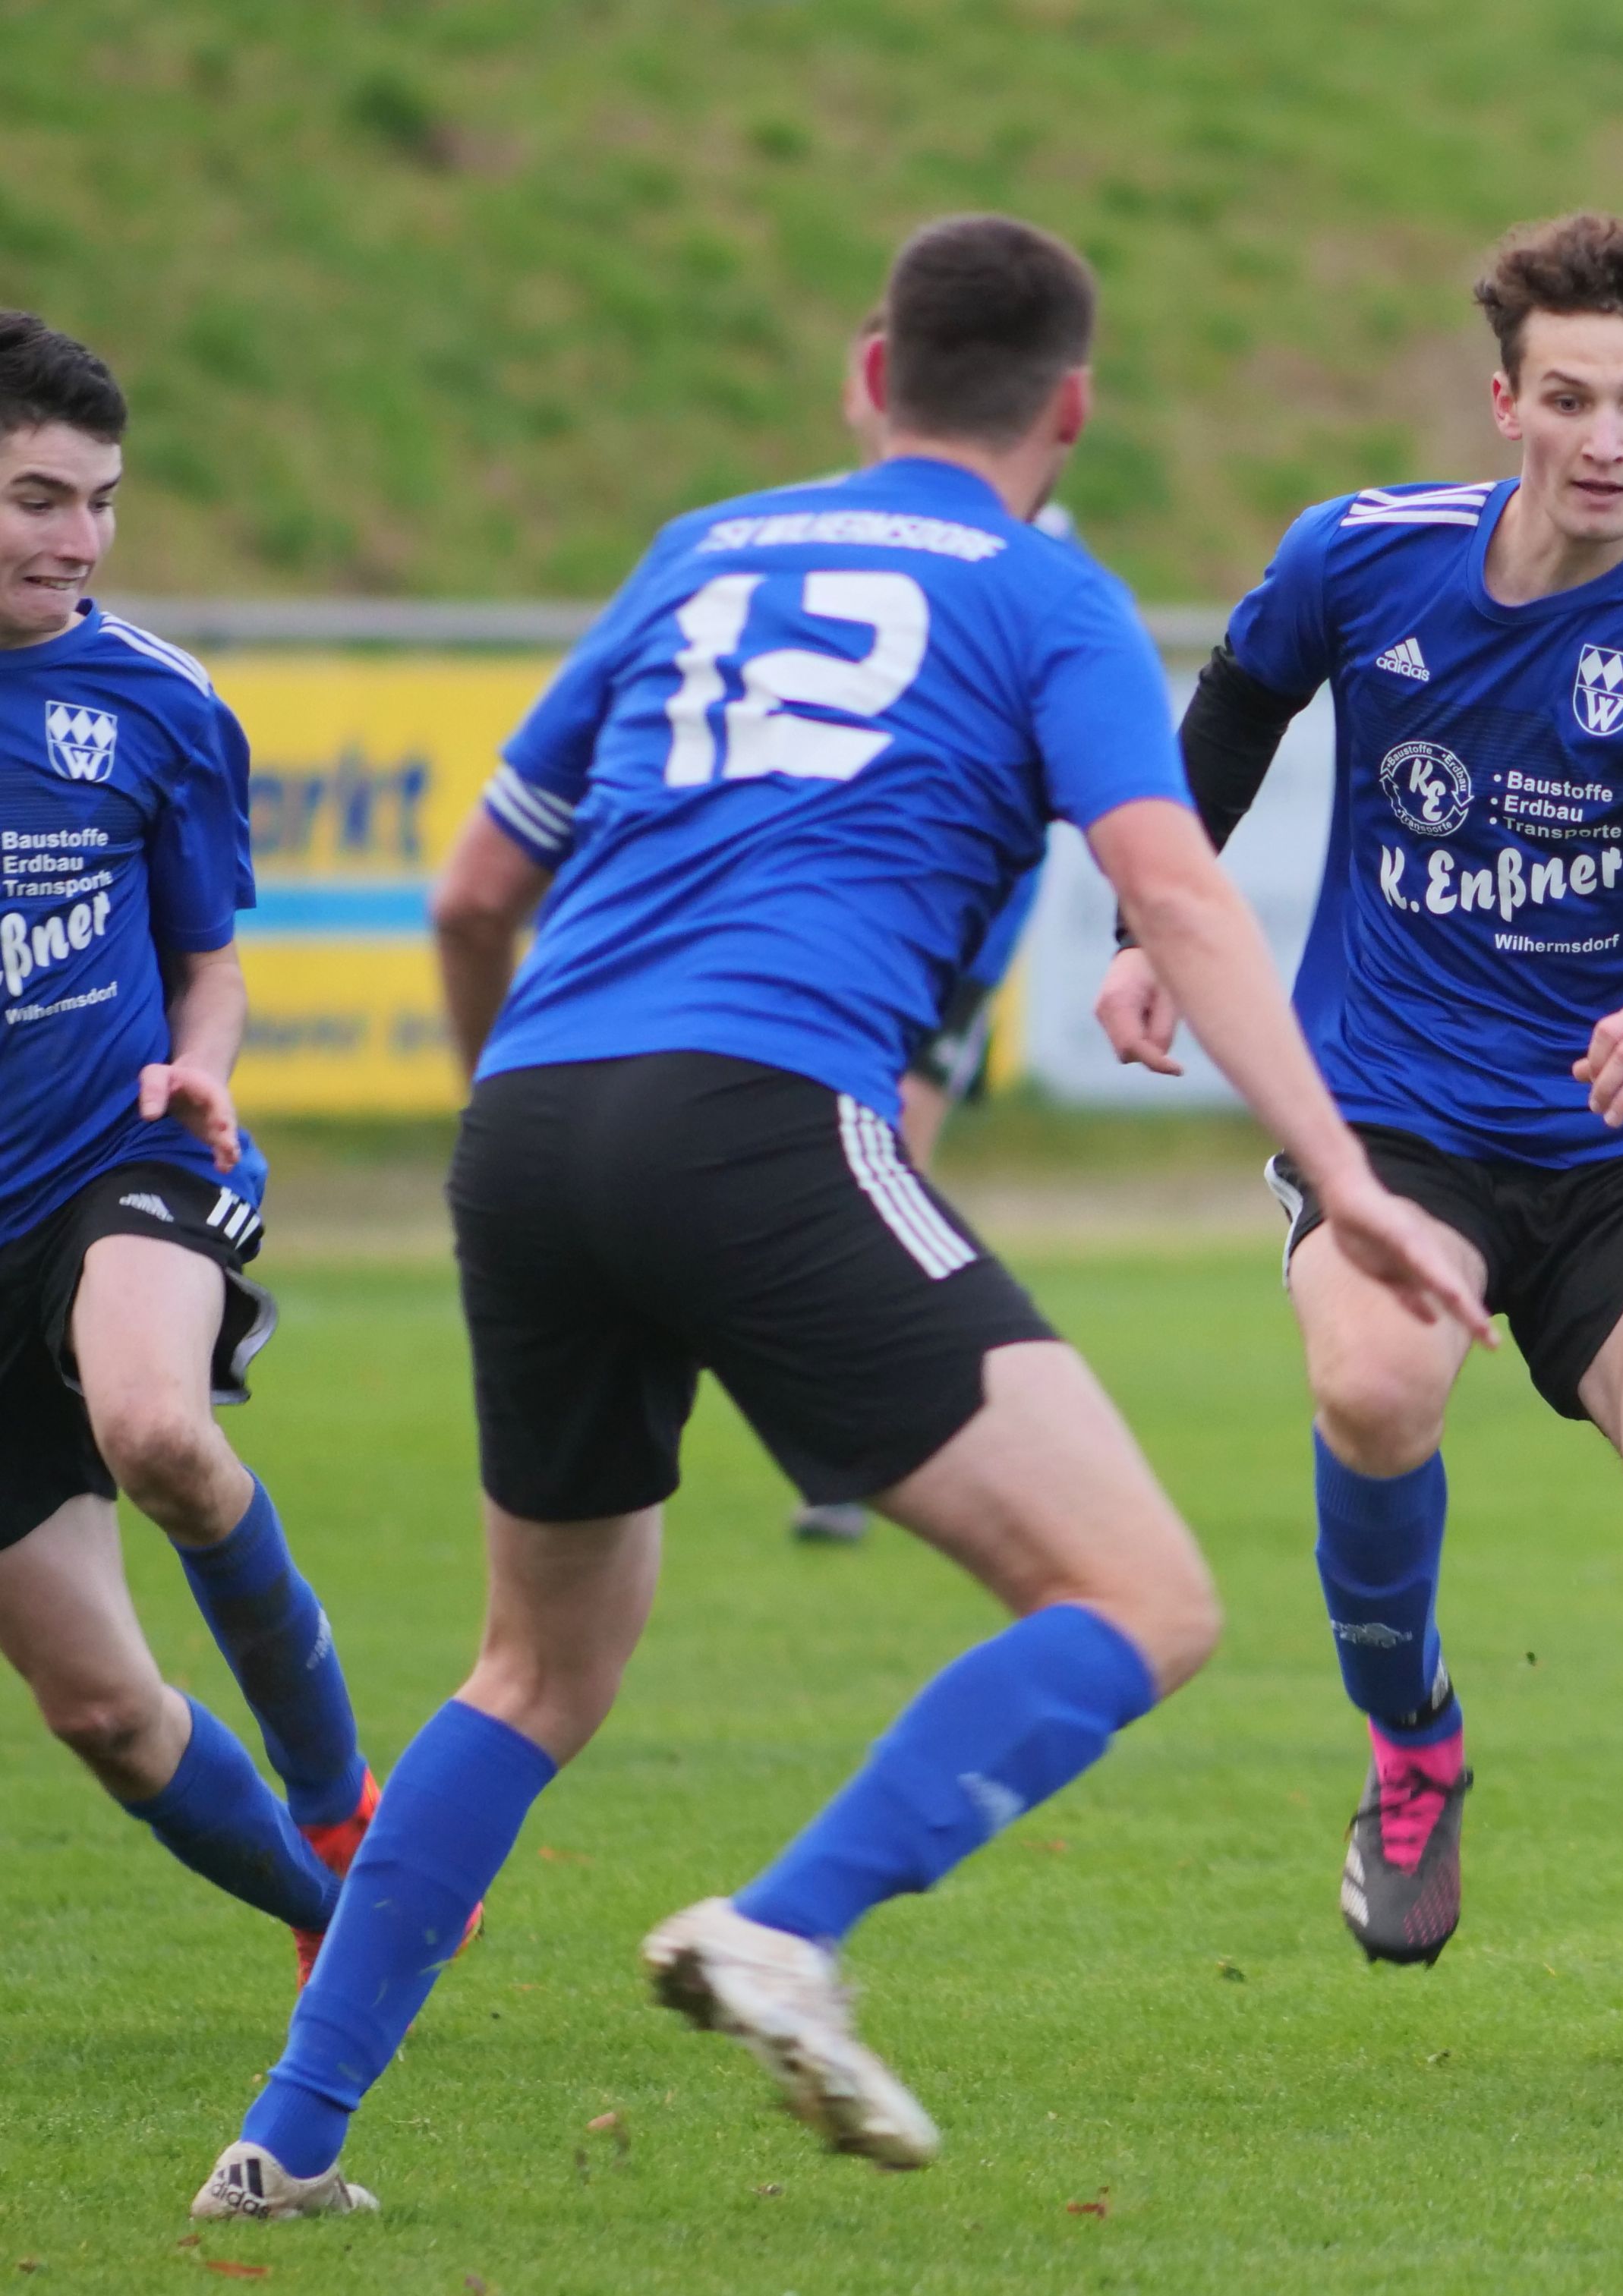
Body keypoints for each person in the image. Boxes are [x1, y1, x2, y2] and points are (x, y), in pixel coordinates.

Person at [194, 214, 1485, 2222]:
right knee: (1142, 1599)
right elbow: (1173, 889)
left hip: (530, 1119)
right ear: (1072, 409)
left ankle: (285, 2147)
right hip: (760, 1112)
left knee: (529, 1673)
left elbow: (468, 895)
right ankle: (786, 1928)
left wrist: (513, 1129)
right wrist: (1345, 1175)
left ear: (869, 375)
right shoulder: (1046, 595)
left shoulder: (703, 548)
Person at [1094, 212, 1623, 1959]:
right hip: (1392, 1115)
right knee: (1374, 1388)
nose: (1604, 439)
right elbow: (1227, 718)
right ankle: (1413, 1750)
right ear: (1504, 404)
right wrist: (1148, 925)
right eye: (1569, 398)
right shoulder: (1358, 559)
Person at [0, 312, 393, 1987]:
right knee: (100, 1708)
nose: (78, 539)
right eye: (37, 498)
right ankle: (347, 1925)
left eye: (99, 501)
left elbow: (209, 963)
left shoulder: (154, 701)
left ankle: (342, 1800)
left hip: (128, 1153)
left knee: (159, 1426)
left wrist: (204, 1071)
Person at [789, 308, 1059, 1548]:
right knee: (836, 1178)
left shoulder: (1030, 551)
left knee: (885, 1166)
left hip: (944, 941)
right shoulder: (805, 533)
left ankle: (859, 1447)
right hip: (822, 936)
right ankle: (857, 1431)